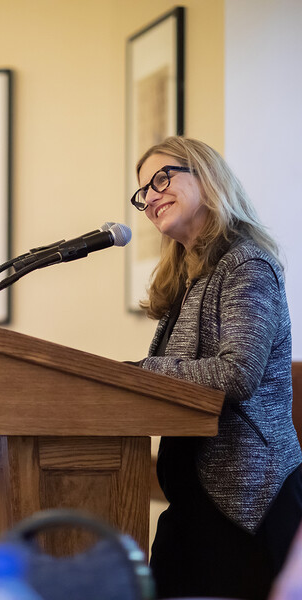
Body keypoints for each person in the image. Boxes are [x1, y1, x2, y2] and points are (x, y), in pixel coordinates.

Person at [129, 136, 302, 600]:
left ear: (207, 177)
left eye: (162, 178)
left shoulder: (247, 265)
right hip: (191, 507)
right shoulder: (186, 278)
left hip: (246, 505)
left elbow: (236, 375)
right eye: (143, 191)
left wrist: (142, 371)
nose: (150, 196)